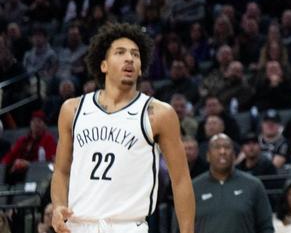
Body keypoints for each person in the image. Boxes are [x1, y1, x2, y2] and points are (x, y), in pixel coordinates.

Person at [50, 22, 195, 233]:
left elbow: (181, 179)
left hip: (127, 227)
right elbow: (62, 171)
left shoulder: (158, 114)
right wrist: (58, 205)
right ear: (103, 65)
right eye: (120, 52)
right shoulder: (72, 109)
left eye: (136, 55)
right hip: (77, 226)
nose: (130, 58)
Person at [187, 134, 275, 233]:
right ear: (208, 156)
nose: (222, 151)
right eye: (217, 147)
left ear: (234, 155)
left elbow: (266, 227)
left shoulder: (254, 185)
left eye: (227, 147)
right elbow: (180, 228)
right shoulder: (193, 188)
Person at [2, 109, 56, 182]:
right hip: (18, 174)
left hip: (37, 175)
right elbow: (10, 156)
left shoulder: (48, 140)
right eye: (33, 121)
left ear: (44, 125)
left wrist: (29, 165)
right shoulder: (23, 140)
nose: (36, 124)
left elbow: (48, 162)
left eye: (39, 121)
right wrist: (5, 165)